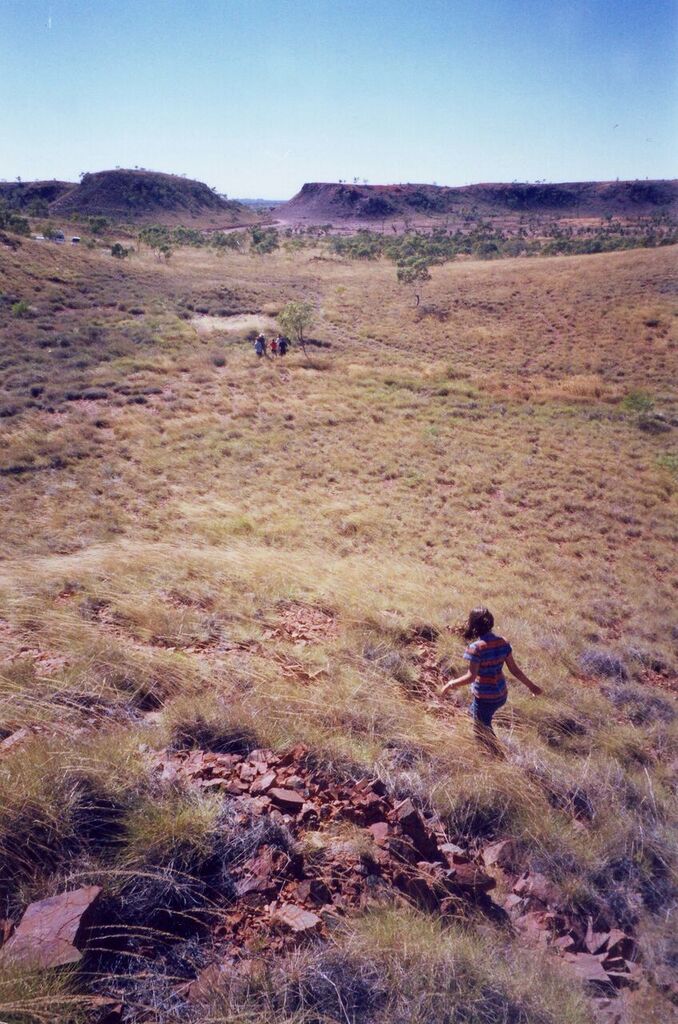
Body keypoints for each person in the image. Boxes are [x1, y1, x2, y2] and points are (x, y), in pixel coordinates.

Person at [441, 606, 542, 748]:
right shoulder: (503, 642)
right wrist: (531, 686)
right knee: (476, 714)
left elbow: (471, 677)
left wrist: (450, 684)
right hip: (501, 694)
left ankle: (496, 753)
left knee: (482, 730)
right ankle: (478, 721)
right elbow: (514, 670)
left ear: (473, 625)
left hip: (485, 697)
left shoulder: (476, 648)